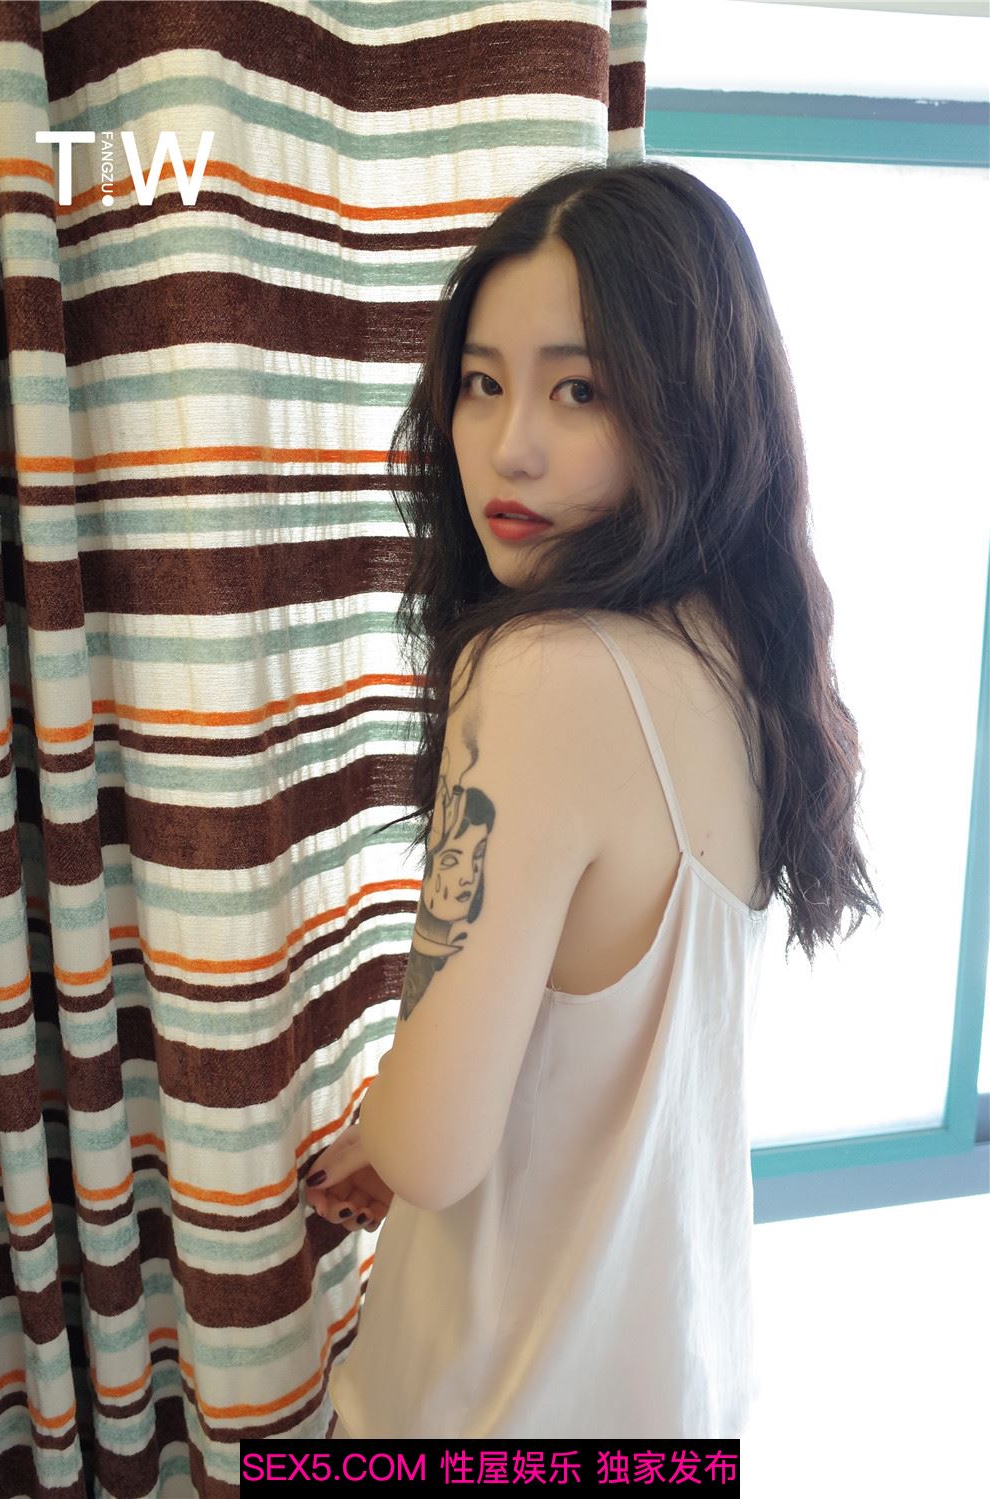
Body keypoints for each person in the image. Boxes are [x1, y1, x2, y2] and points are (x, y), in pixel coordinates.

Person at [302, 160, 882, 1440]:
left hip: (482, 1414)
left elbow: (435, 1148)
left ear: (688, 404)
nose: (510, 445)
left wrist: (386, 1122)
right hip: (678, 1390)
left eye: (580, 389)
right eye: (481, 383)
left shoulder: (543, 669)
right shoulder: (740, 655)